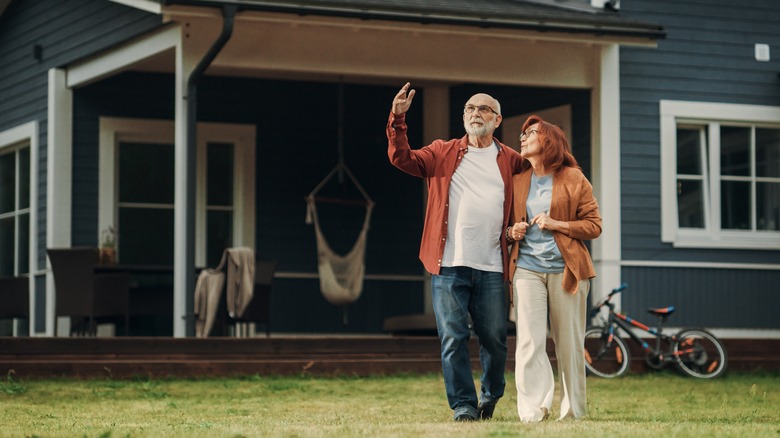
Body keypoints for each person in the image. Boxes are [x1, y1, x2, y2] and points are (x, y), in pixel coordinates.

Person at [386, 82, 523, 422]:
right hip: (447, 265)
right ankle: (463, 405)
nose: (475, 113)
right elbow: (403, 158)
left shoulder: (511, 160)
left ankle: (490, 395)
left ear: (497, 119)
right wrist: (397, 119)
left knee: (494, 338)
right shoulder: (442, 152)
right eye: (470, 109)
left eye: (483, 109)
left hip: (492, 265)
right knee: (453, 337)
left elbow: (542, 177)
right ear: (464, 116)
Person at [506, 115, 602, 422]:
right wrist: (513, 232)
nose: (522, 138)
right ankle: (533, 411)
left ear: (548, 141)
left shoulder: (573, 178)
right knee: (529, 341)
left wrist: (555, 223)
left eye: (530, 133)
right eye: (522, 134)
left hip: (567, 271)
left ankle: (573, 410)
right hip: (527, 270)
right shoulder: (519, 179)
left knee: (569, 342)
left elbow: (594, 225)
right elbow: (505, 226)